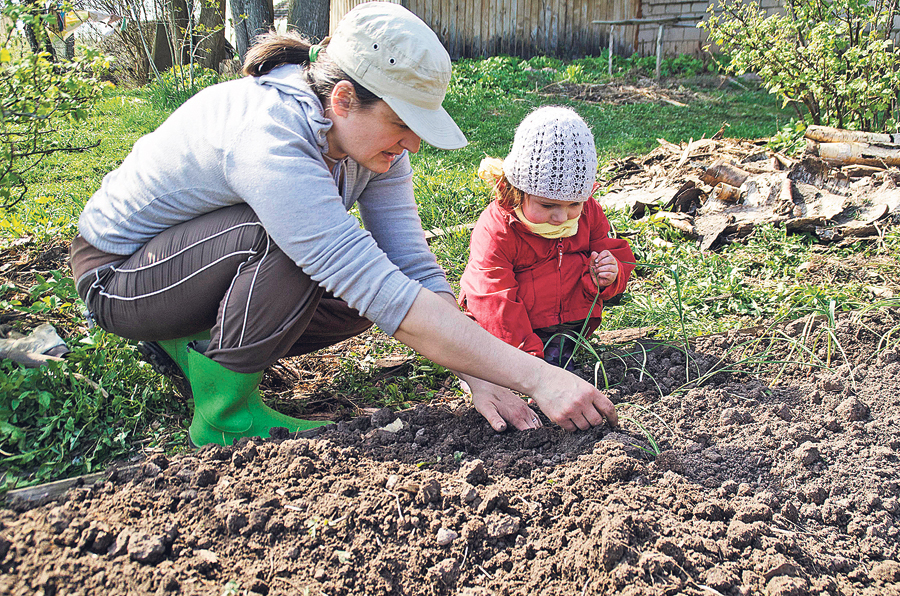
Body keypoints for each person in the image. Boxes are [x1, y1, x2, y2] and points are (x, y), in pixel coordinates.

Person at [69, 2, 618, 447]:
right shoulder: (269, 133)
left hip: (195, 265)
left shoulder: (373, 149)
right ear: (344, 98)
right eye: (403, 124)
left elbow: (410, 268)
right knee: (290, 245)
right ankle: (223, 416)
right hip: (122, 279)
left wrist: (481, 374)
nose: (412, 144)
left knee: (370, 292)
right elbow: (371, 282)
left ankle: (195, 344)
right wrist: (539, 375)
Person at [459, 106, 635, 372]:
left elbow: (613, 252)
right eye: (547, 205)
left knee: (560, 359)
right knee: (501, 353)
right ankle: (517, 355)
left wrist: (612, 273)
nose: (561, 217)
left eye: (574, 203)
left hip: (567, 322)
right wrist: (528, 360)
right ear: (518, 190)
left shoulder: (589, 212)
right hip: (508, 327)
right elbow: (493, 296)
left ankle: (558, 346)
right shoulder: (499, 227)